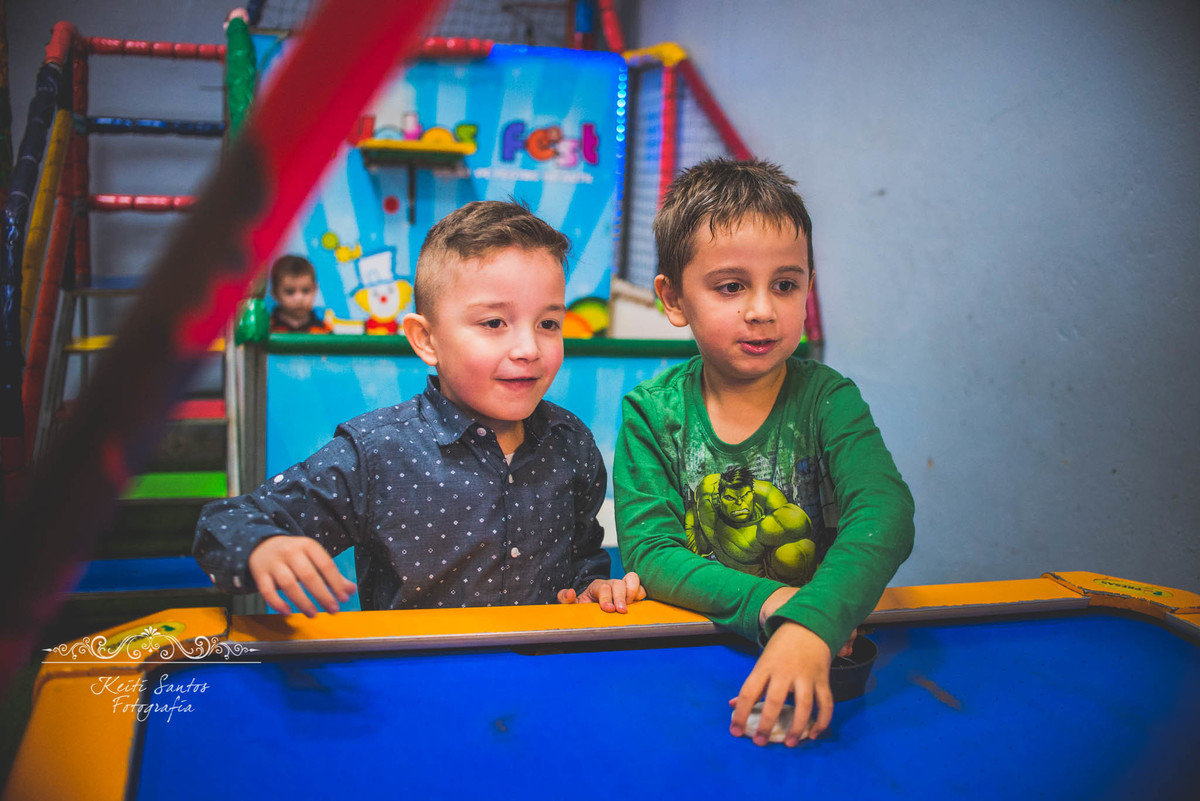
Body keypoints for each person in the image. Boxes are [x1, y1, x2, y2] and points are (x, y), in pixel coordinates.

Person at [197, 201, 644, 616]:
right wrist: (262, 546)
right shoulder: (375, 453)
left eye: (548, 323)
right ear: (426, 340)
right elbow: (225, 523)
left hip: (543, 671)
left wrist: (592, 587)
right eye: (494, 322)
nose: (529, 348)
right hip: (411, 671)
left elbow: (582, 558)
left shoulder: (571, 443)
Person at [614, 159, 914, 748]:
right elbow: (651, 552)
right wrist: (776, 605)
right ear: (673, 299)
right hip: (694, 652)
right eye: (731, 286)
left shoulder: (829, 400)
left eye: (785, 284)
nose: (762, 310)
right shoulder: (652, 412)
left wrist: (813, 622)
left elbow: (885, 513)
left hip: (820, 650)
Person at [268, 254, 333, 333]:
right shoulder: (268, 328)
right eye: (290, 292)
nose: (299, 298)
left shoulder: (323, 329)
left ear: (315, 289)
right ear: (275, 293)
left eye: (306, 291)